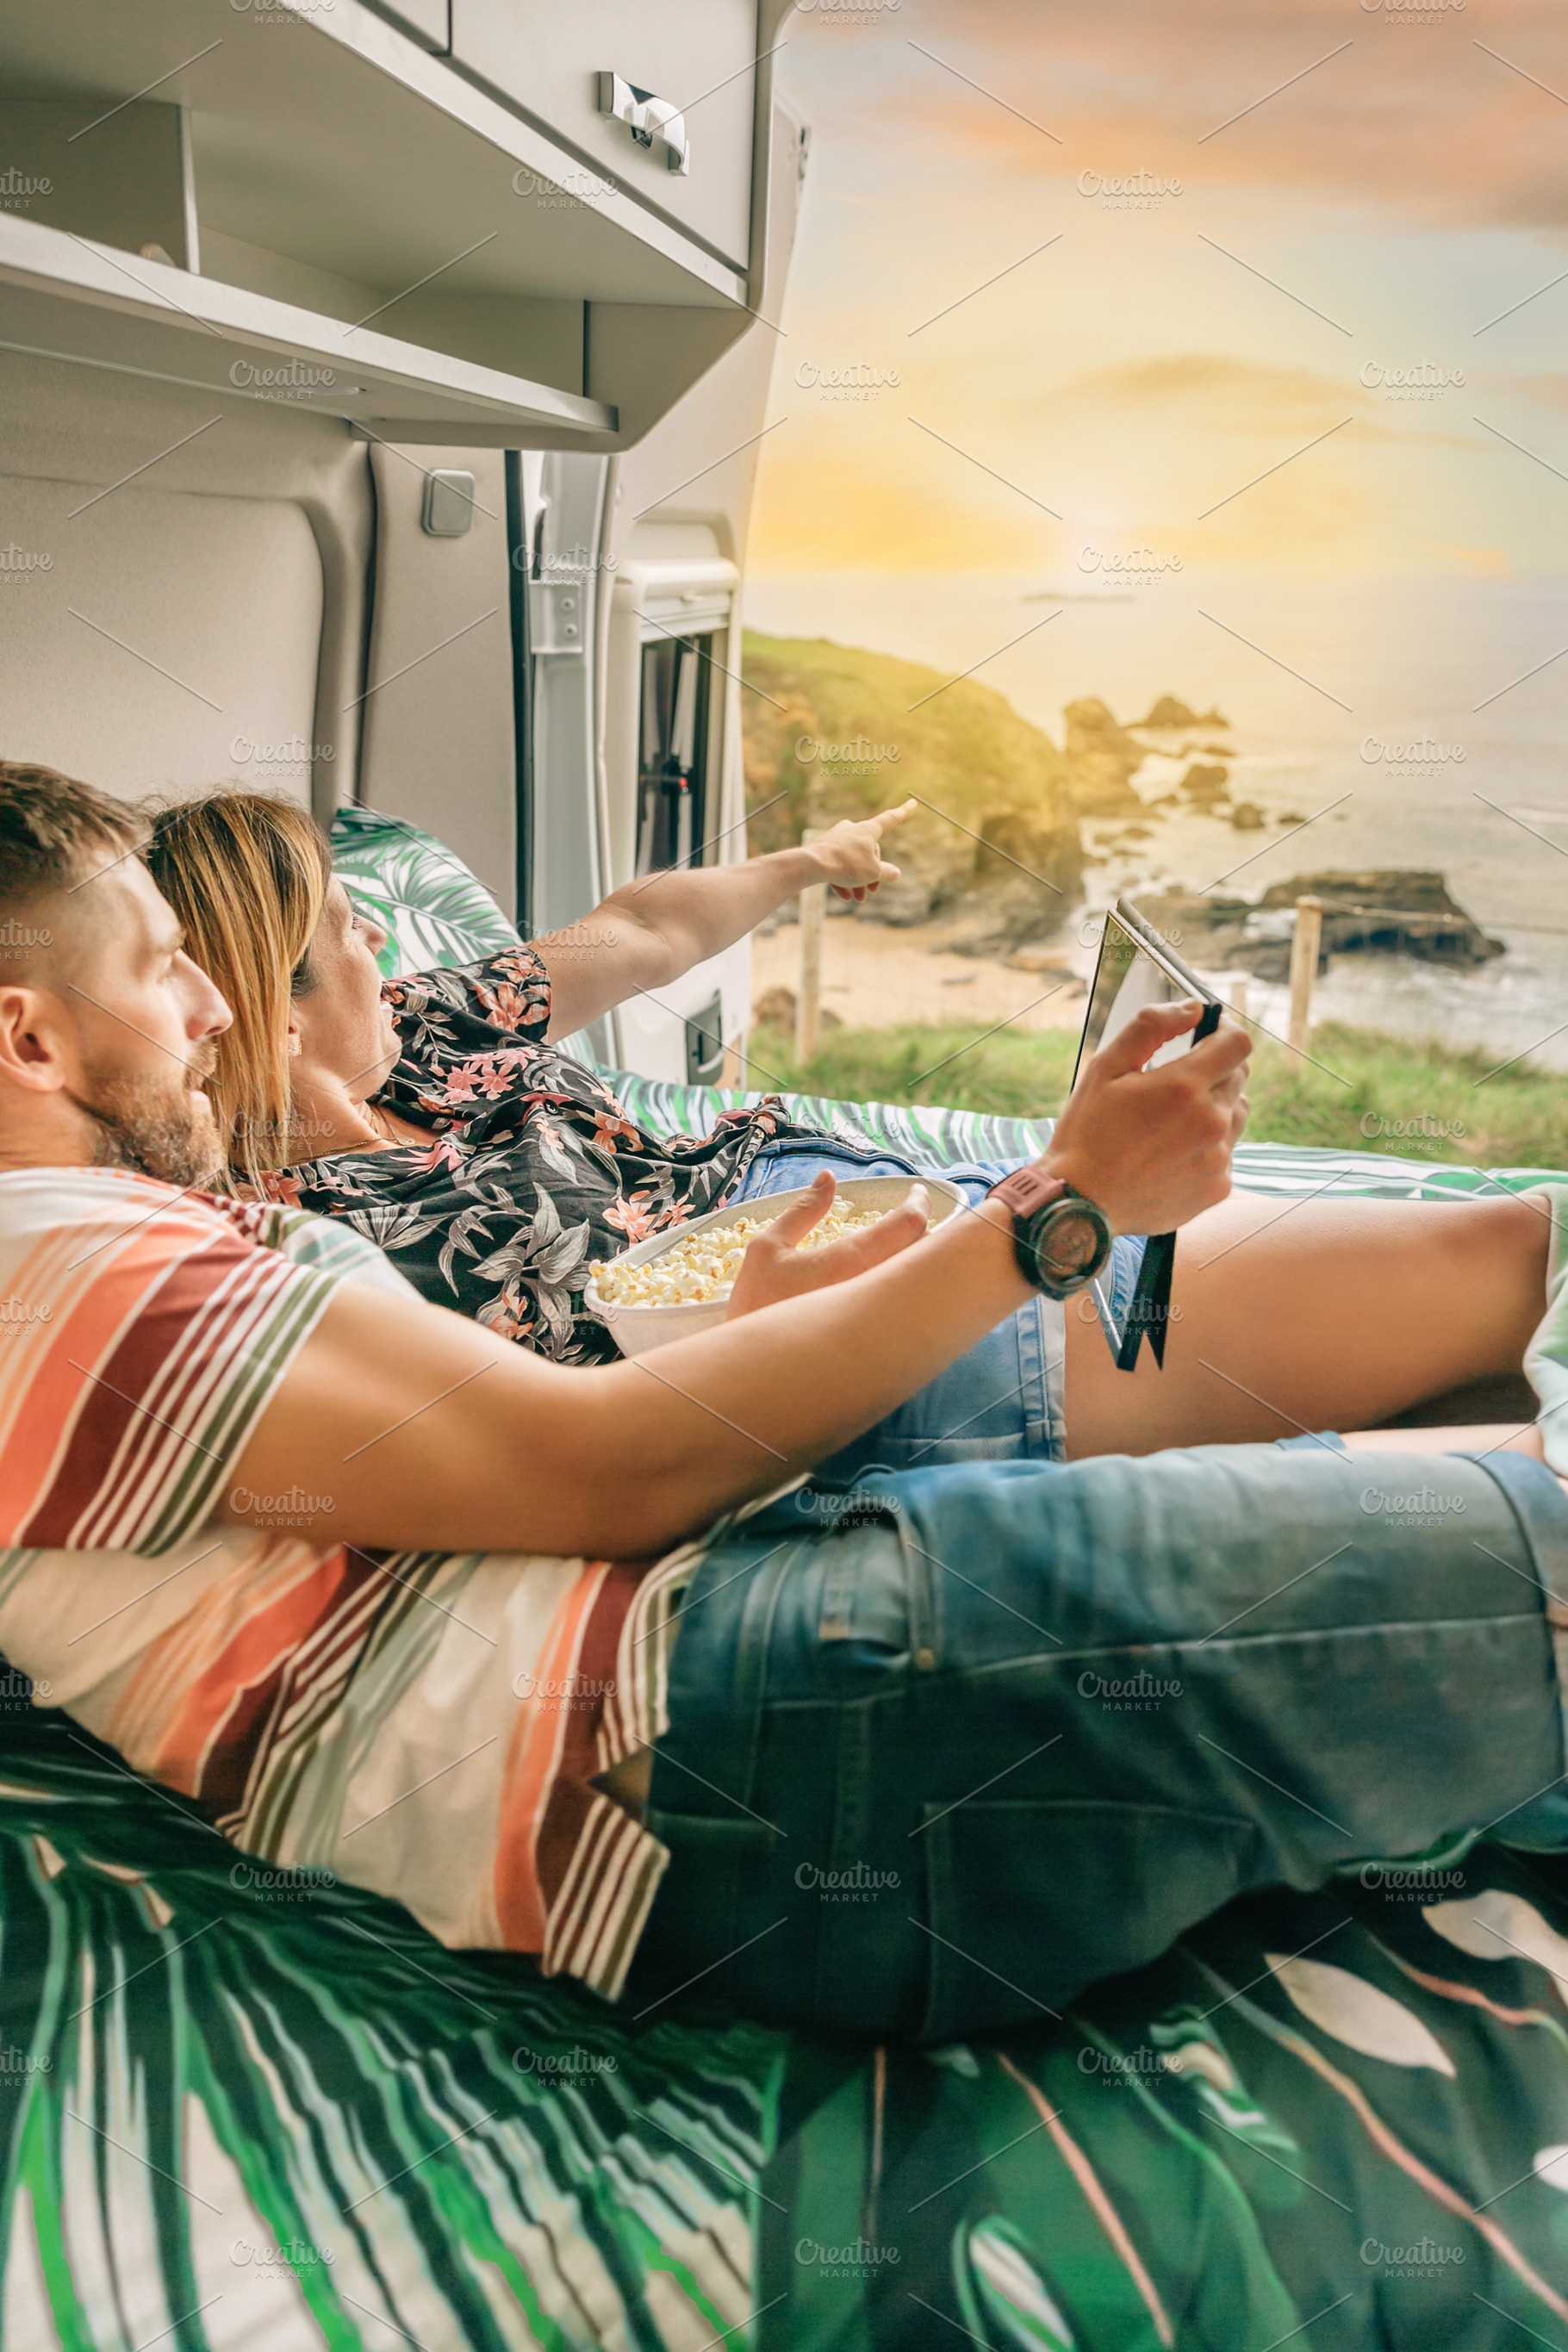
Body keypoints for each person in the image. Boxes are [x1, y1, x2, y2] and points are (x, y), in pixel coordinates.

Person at [2, 756, 1567, 2043]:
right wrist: (1053, 1209)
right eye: (163, 973)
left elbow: (542, 1451)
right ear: (32, 1034)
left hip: (725, 1604)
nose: (206, 1011)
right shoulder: (61, 1266)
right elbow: (589, 1464)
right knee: (1525, 1515)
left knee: (1481, 1453)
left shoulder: (141, 1232)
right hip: (716, 1721)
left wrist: (725, 1330)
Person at [148, 787, 1553, 1475]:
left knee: (1472, 1374)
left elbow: (638, 929)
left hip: (850, 1202)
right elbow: (579, 1439)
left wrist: (813, 861)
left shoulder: (429, 1028)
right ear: (259, 1013)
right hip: (868, 1334)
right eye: (347, 933)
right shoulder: (291, 1245)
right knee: (1512, 1259)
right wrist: (1057, 1201)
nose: (386, 944)